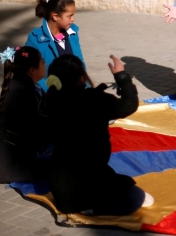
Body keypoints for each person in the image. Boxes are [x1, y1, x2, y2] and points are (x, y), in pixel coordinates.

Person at [45, 54, 153, 215]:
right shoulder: (95, 100)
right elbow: (128, 105)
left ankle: (87, 206)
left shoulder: (50, 99)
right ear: (81, 78)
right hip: (90, 178)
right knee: (141, 198)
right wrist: (121, 76)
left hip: (61, 188)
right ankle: (93, 208)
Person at [0, 46, 51, 183]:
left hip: (5, 158)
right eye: (42, 62)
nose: (45, 64)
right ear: (32, 70)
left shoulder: (24, 86)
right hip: (8, 164)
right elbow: (38, 128)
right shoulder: (23, 94)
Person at [25, 0, 85, 91]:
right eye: (69, 16)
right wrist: (51, 91)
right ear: (55, 16)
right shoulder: (35, 40)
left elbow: (80, 62)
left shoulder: (73, 33)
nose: (73, 19)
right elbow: (30, 73)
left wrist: (86, 87)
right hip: (50, 98)